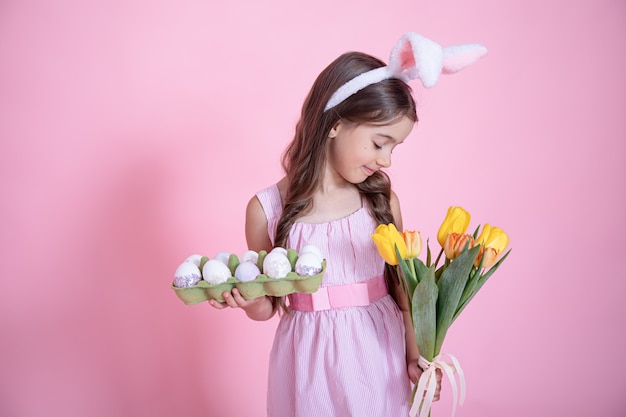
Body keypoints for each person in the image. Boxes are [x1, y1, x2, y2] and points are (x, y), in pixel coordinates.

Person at [209, 32, 485, 416]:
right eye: (379, 143)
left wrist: (414, 359)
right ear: (335, 124)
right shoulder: (266, 210)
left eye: (394, 147)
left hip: (378, 358)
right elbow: (269, 306)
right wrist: (250, 301)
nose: (386, 160)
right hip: (306, 367)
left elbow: (403, 295)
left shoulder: (381, 203)